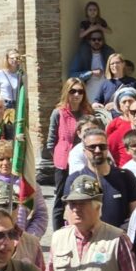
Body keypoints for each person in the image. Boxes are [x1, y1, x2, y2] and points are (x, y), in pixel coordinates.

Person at [67, 128, 136, 231]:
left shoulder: (125, 177)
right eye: (92, 147)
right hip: (89, 238)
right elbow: (70, 216)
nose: (97, 150)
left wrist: (119, 234)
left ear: (107, 149)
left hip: (121, 236)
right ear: (84, 151)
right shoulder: (75, 179)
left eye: (102, 146)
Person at [47, 78, 94, 228]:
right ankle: (58, 233)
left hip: (84, 161)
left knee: (84, 196)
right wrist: (58, 157)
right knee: (61, 198)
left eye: (80, 91)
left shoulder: (88, 112)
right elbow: (51, 141)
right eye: (73, 91)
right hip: (63, 163)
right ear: (66, 92)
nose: (76, 95)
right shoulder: (58, 113)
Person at [0, 141, 48, 238]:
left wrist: (29, 237)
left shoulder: (28, 184)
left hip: (22, 239)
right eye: (1, 159)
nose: (5, 163)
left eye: (10, 158)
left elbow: (41, 215)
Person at [68, 31, 115, 102]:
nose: (96, 41)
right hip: (88, 95)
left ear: (103, 41)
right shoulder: (82, 55)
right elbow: (72, 75)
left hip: (106, 95)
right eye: (93, 39)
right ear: (89, 41)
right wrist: (91, 73)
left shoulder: (108, 54)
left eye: (99, 39)